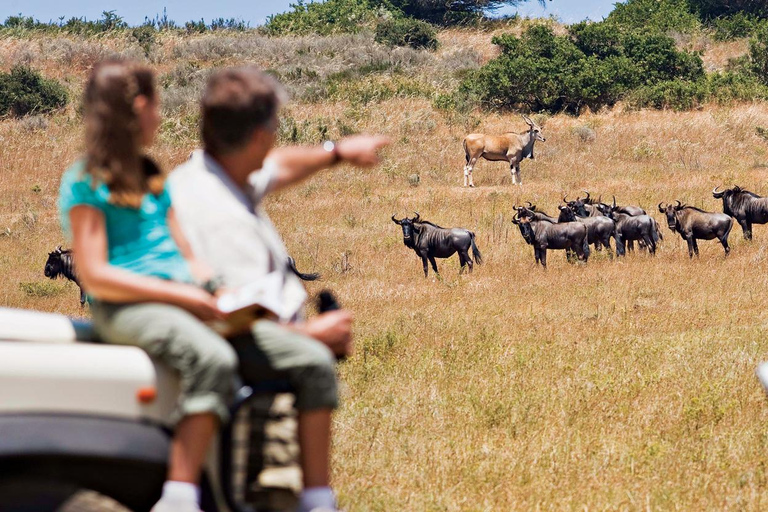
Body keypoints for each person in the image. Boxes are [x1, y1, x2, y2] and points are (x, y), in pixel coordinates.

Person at [168, 66, 389, 512]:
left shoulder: (209, 173)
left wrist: (338, 151)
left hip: (251, 347)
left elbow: (279, 168)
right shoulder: (217, 215)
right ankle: (317, 500)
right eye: (273, 127)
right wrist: (313, 337)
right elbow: (232, 312)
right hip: (249, 366)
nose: (275, 139)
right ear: (259, 136)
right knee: (313, 369)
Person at [59, 60, 235, 512]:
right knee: (211, 357)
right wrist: (187, 295)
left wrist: (216, 286)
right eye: (157, 105)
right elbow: (95, 275)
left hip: (173, 297)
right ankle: (179, 496)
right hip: (126, 305)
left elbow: (187, 252)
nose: (161, 115)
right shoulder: (87, 179)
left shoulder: (153, 173)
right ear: (139, 108)